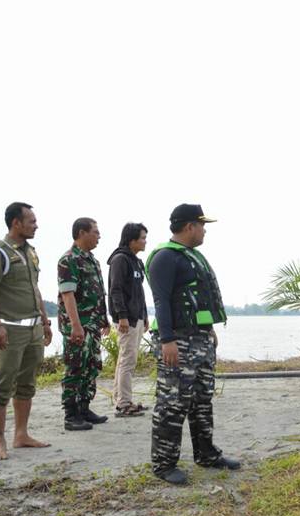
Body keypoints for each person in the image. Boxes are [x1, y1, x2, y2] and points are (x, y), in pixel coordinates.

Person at [147, 204, 239, 485]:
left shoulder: (192, 257)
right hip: (177, 339)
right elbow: (161, 301)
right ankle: (164, 464)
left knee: (202, 399)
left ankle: (207, 453)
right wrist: (167, 340)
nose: (204, 231)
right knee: (172, 402)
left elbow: (196, 299)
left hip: (199, 339)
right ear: (189, 227)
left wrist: (208, 329)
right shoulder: (166, 257)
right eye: (201, 225)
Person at [0, 202, 53, 461]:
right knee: (1, 386)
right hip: (9, 330)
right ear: (16, 223)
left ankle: (21, 435)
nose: (36, 225)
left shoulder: (31, 252)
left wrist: (44, 321)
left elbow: (35, 288)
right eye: (31, 221)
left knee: (26, 385)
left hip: (33, 329)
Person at [58, 218, 111, 431]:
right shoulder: (69, 260)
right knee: (75, 367)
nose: (99, 236)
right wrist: (76, 325)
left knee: (91, 367)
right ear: (82, 233)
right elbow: (68, 294)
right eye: (96, 232)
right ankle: (71, 415)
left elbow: (99, 293)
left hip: (93, 324)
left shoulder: (92, 260)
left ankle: (84, 408)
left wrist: (104, 320)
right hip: (78, 325)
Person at [107, 222, 150, 417]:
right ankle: (123, 404)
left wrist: (145, 316)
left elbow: (139, 291)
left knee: (126, 359)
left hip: (137, 316)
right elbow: (115, 290)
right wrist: (122, 316)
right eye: (142, 238)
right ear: (132, 240)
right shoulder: (120, 259)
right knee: (128, 360)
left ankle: (121, 399)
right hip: (127, 319)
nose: (145, 241)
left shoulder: (136, 261)